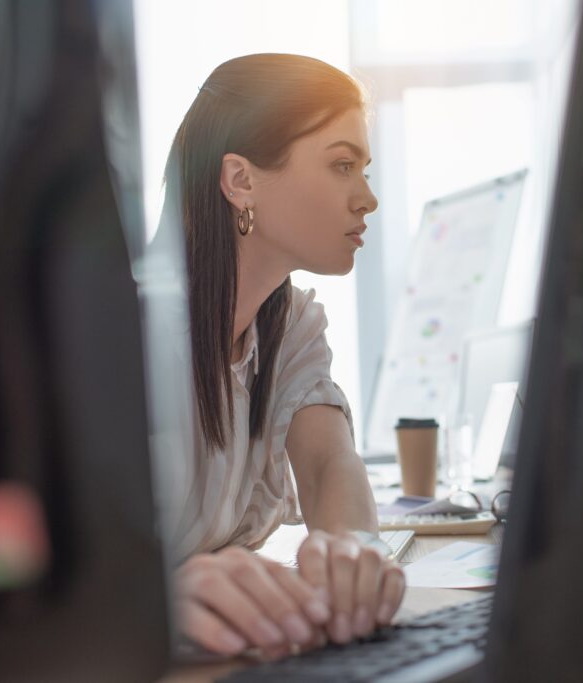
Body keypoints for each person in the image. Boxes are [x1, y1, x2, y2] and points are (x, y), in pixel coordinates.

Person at [153, 53, 403, 659]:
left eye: (363, 169)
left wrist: (354, 551)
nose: (367, 197)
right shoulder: (133, 336)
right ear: (240, 180)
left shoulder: (290, 323)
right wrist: (152, 599)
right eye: (342, 165)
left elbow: (326, 465)